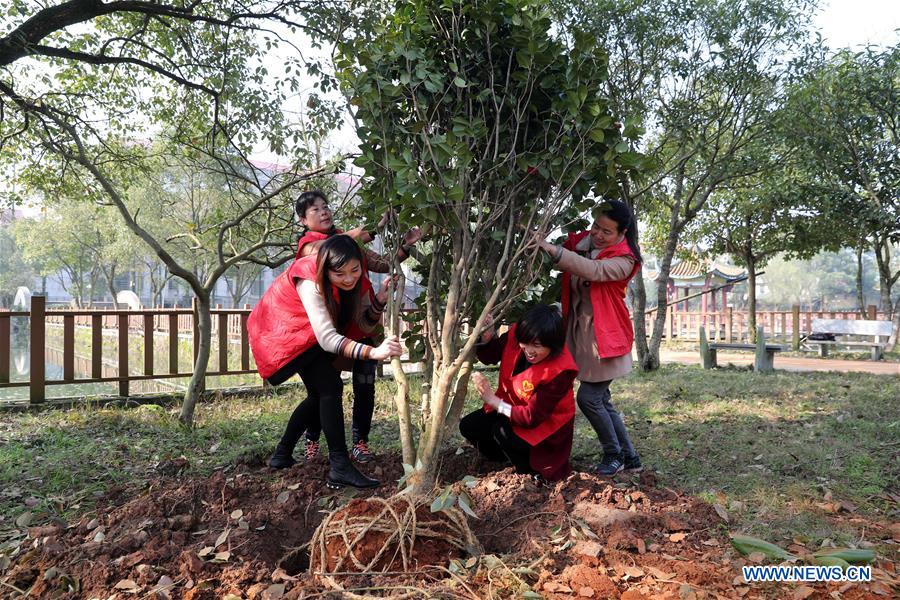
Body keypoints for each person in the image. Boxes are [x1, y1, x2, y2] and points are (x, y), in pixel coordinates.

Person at [247, 234, 402, 488]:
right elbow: (328, 338)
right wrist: (373, 353)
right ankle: (339, 466)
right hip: (280, 334)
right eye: (339, 273)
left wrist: (380, 300)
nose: (349, 278)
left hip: (306, 337)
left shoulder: (354, 284)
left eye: (355, 270)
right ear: (325, 268)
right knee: (330, 387)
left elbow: (361, 325)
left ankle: (282, 454)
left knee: (320, 394)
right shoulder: (310, 280)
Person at [292, 190, 422, 463]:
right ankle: (312, 439)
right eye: (315, 209)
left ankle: (360, 441)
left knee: (365, 385)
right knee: (325, 391)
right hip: (332, 328)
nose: (324, 212)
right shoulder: (308, 246)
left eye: (326, 206)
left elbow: (380, 263)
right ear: (303, 220)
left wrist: (405, 246)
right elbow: (330, 248)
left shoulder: (346, 239)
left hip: (363, 323)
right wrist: (373, 228)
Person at [532, 199, 643, 476]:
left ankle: (614, 454)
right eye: (596, 226)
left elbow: (593, 270)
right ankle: (630, 457)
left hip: (606, 338)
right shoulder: (582, 243)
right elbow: (566, 245)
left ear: (622, 233)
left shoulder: (625, 259)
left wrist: (555, 251)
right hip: (583, 336)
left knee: (589, 398)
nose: (598, 234)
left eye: (607, 231)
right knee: (601, 400)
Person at [460, 304, 579, 483]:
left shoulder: (559, 371)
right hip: (511, 407)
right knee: (469, 426)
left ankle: (529, 473)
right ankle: (503, 459)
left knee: (502, 431)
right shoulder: (520, 334)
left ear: (552, 344)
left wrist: (494, 401)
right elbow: (491, 356)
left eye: (537, 345)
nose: (529, 350)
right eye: (525, 343)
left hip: (544, 425)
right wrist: (487, 337)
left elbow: (531, 417)